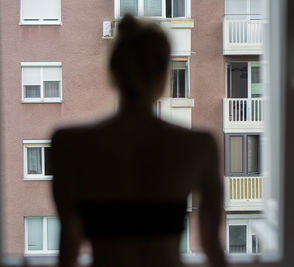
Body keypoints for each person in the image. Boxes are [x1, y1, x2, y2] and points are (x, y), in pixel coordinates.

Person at [51, 14, 227, 267]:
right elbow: (213, 249)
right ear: (163, 74)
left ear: (113, 71)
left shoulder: (68, 143)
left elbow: (68, 250)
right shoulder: (199, 145)